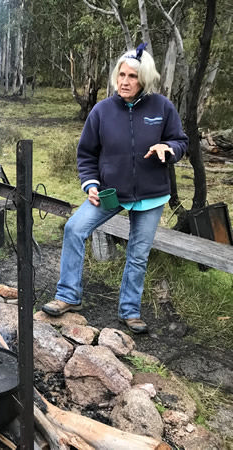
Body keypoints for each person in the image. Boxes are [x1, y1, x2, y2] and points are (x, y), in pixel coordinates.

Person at [41, 44, 188, 334]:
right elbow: (86, 154)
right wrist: (91, 183)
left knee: (137, 253)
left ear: (143, 79)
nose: (124, 81)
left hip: (150, 196)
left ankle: (130, 312)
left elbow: (181, 142)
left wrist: (168, 147)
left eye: (132, 76)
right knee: (74, 228)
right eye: (121, 74)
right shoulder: (102, 111)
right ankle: (68, 296)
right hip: (111, 193)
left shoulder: (162, 107)